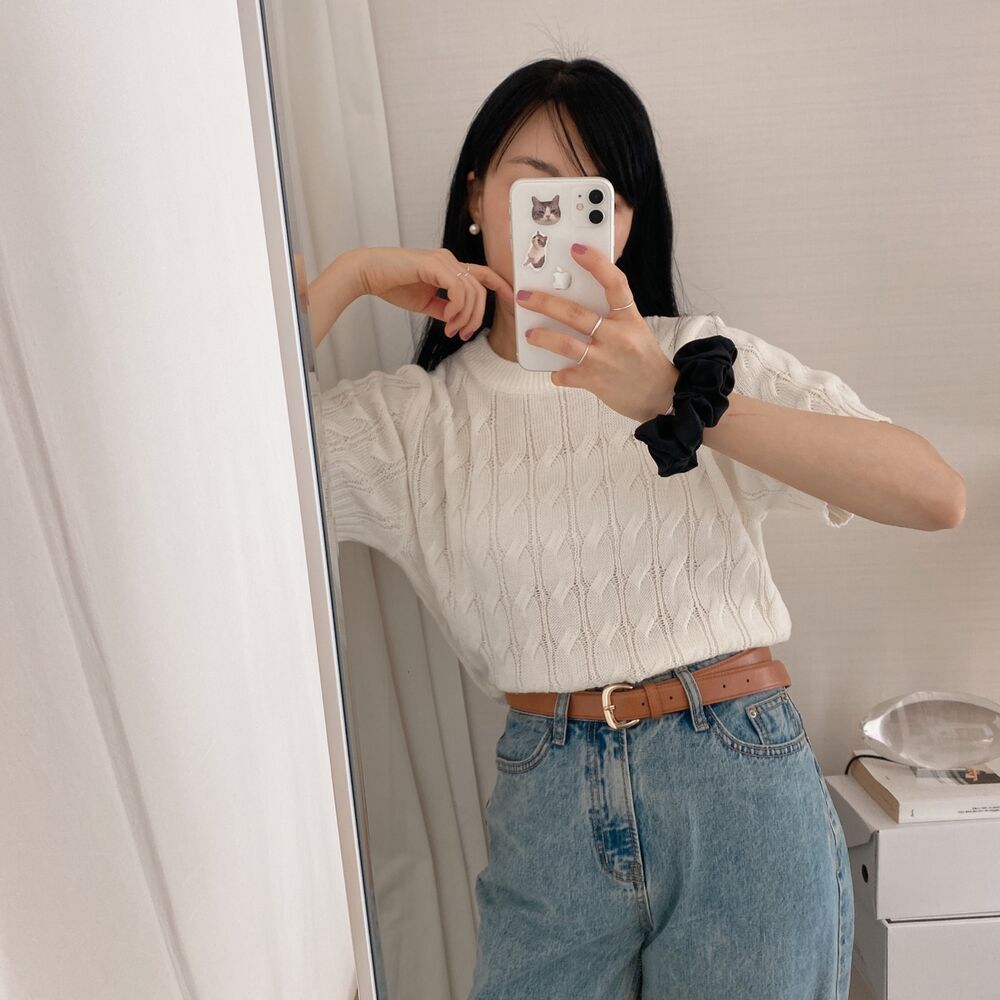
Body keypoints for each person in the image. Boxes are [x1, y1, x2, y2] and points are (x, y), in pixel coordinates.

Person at [306, 56, 963, 1000]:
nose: (562, 224)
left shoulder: (698, 359)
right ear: (475, 198)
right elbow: (213, 470)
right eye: (536, 188)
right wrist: (348, 280)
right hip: (547, 798)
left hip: (738, 778)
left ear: (627, 224)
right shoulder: (413, 426)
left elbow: (934, 494)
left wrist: (674, 399)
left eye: (596, 199)